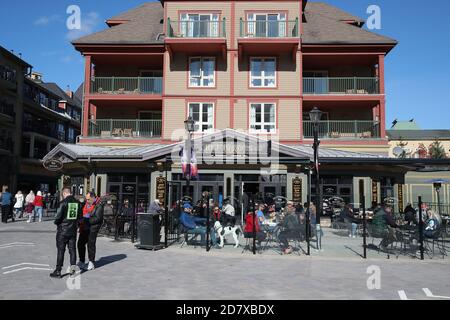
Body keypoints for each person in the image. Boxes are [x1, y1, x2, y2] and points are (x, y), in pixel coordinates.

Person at [50, 187, 82, 278]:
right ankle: (73, 271)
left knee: (61, 250)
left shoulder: (63, 203)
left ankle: (58, 271)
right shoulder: (78, 203)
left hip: (63, 231)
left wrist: (57, 223)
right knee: (72, 250)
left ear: (64, 193)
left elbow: (58, 217)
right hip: (73, 231)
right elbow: (80, 218)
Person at [77, 192, 104, 271]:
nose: (87, 201)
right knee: (80, 243)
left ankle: (91, 262)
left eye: (88, 199)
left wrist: (86, 220)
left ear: (93, 198)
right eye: (86, 199)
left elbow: (98, 218)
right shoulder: (86, 204)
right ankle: (82, 261)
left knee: (90, 244)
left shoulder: (99, 205)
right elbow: (83, 212)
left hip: (93, 227)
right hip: (85, 226)